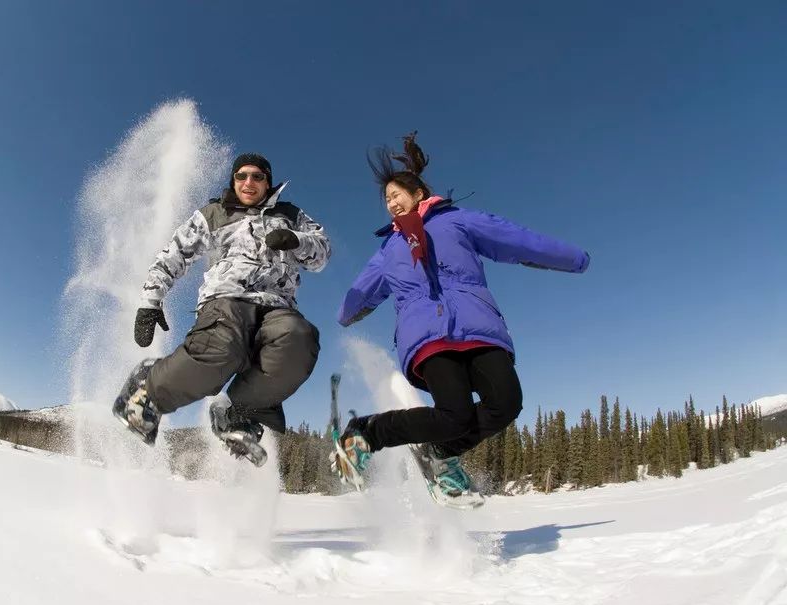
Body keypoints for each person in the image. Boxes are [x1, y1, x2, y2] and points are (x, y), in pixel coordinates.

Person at [333, 132, 589, 502]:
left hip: (479, 328)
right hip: (427, 336)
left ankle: (439, 454)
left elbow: (517, 239)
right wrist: (346, 313)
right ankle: (365, 433)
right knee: (454, 415)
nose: (390, 203)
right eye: (385, 199)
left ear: (418, 193)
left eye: (396, 195)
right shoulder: (389, 248)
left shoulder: (458, 221)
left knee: (505, 404)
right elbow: (362, 291)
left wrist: (573, 258)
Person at [114, 153, 330, 467]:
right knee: (221, 349)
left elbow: (322, 252)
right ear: (233, 180)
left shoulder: (290, 214)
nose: (249, 182)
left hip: (277, 306)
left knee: (299, 340)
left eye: (257, 176)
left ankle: (236, 412)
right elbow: (174, 253)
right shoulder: (215, 213)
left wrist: (296, 240)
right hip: (227, 298)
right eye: (241, 176)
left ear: (268, 182)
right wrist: (151, 300)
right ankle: (150, 388)